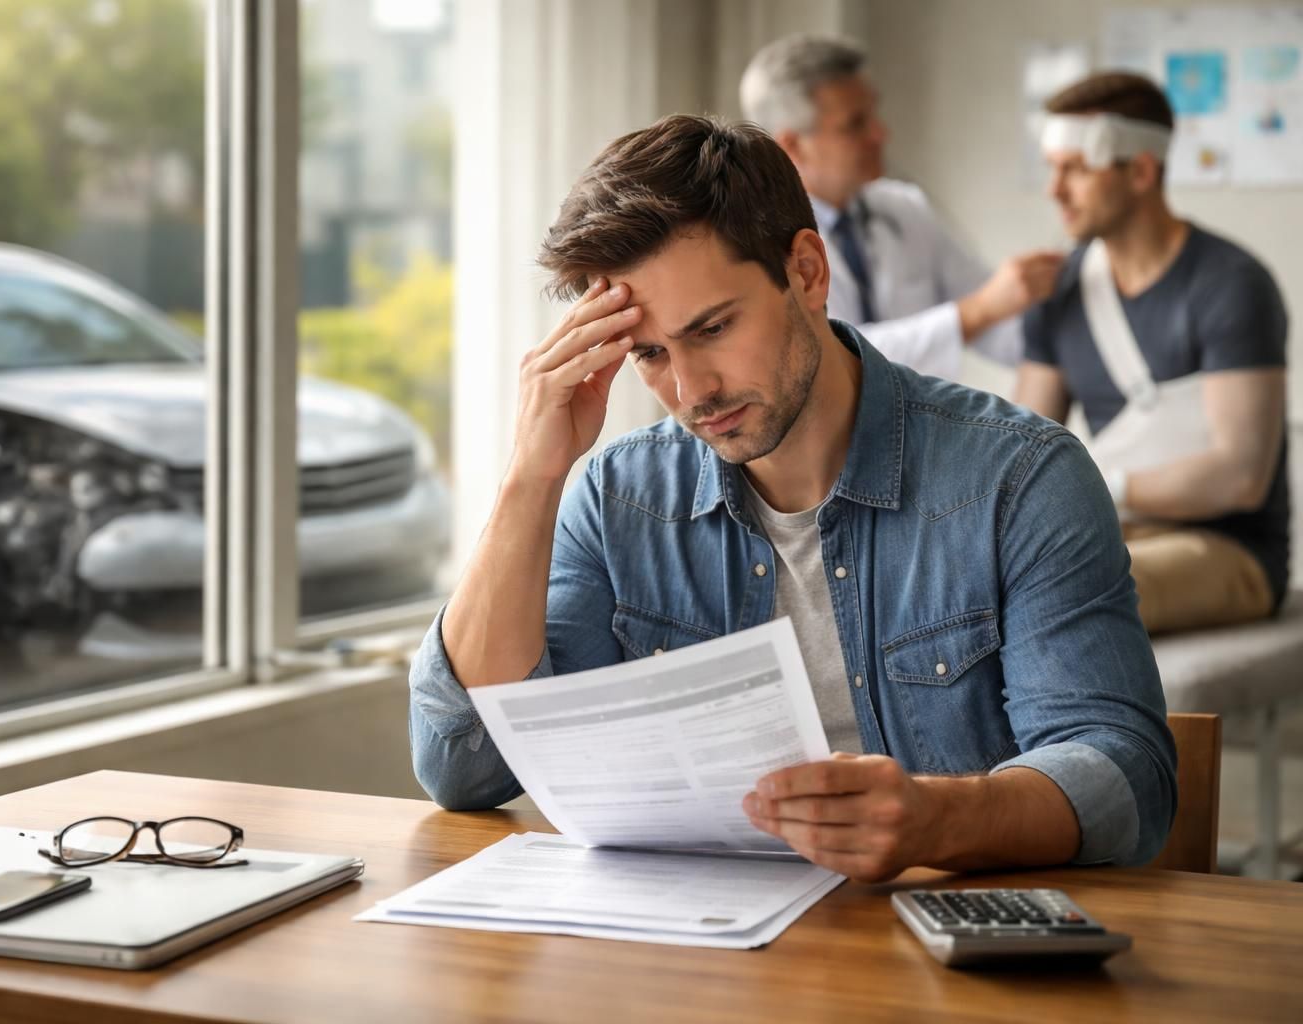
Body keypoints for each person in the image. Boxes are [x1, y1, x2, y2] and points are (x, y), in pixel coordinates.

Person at [408, 114, 1175, 883]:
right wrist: (529, 479)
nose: (689, 391)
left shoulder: (1021, 479)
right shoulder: (617, 500)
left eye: (711, 328)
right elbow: (464, 766)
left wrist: (937, 819)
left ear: (807, 271)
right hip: (698, 959)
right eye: (648, 354)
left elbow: (1125, 778)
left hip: (942, 957)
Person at [1017, 71, 1290, 635]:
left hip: (1229, 548)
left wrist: (1103, 487)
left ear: (1141, 171)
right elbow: (1025, 451)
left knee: (1074, 583)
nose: (1054, 190)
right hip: (1119, 530)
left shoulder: (1231, 283)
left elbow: (1240, 476)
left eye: (1076, 170)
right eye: (1052, 168)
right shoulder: (1059, 290)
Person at [739, 34, 1064, 381]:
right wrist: (975, 312)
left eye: (873, 113)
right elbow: (836, 350)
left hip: (921, 425)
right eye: (855, 123)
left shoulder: (906, 208)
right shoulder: (757, 240)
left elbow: (1000, 326)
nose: (880, 133)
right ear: (792, 146)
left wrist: (1070, 320)